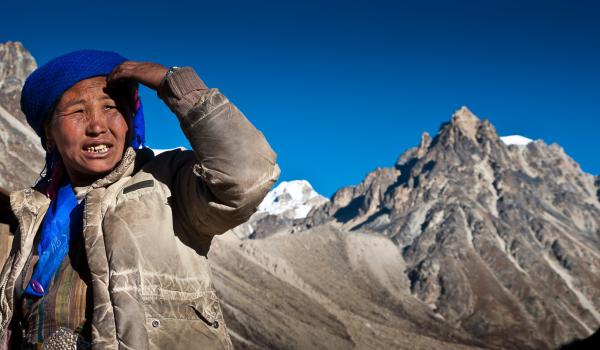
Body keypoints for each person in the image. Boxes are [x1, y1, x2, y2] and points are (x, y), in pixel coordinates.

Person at [0, 50, 280, 349]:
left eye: (111, 107)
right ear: (49, 134)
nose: (97, 126)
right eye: (78, 112)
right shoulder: (31, 218)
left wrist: (175, 84)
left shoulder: (166, 183)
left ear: (130, 121)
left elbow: (247, 176)